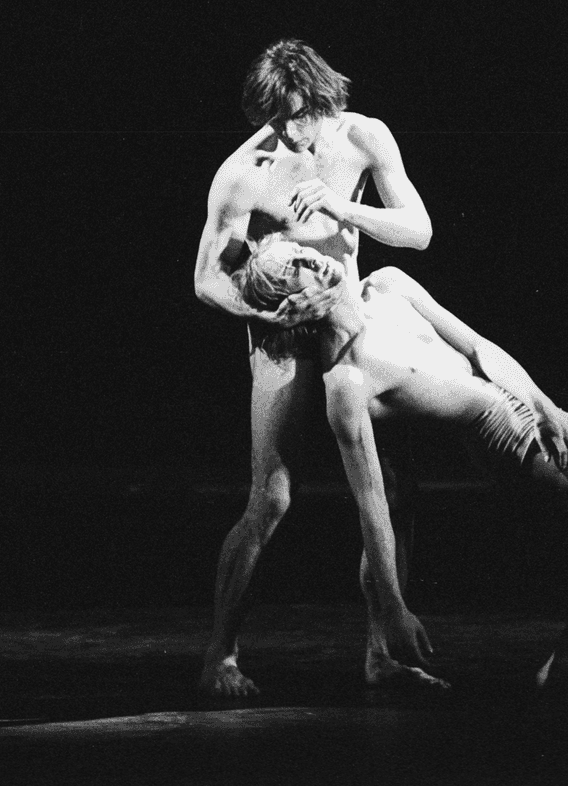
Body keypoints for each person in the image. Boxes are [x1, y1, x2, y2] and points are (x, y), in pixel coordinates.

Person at [234, 235, 568, 694]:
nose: (314, 261)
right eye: (295, 269)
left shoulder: (388, 285)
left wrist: (545, 407)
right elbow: (372, 502)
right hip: (509, 440)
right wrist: (395, 607)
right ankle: (567, 665)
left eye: (301, 251)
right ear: (294, 308)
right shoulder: (347, 383)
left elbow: (479, 346)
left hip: (530, 406)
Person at [193, 39, 434, 697]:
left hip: (349, 327)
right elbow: (206, 278)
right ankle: (222, 652)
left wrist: (339, 206)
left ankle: (382, 652)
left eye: (297, 113)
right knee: (269, 498)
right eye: (275, 118)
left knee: (392, 490)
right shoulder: (246, 170)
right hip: (283, 339)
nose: (288, 130)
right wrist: (269, 316)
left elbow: (418, 230)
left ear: (322, 97)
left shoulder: (363, 137)